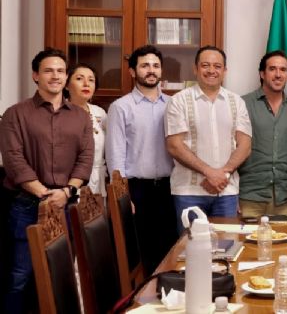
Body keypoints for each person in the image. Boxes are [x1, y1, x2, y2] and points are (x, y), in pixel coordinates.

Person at [0, 49, 93, 313]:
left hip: (68, 205)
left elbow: (86, 158)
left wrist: (67, 191)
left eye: (61, 71)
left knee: (61, 277)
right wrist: (44, 194)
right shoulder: (15, 114)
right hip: (27, 205)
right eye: (48, 70)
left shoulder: (80, 116)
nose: (55, 76)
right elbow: (14, 159)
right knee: (21, 276)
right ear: (35, 76)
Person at [105, 45, 177, 275]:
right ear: (132, 71)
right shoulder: (121, 107)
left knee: (170, 251)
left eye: (156, 66)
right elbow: (115, 154)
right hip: (137, 190)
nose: (151, 70)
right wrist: (123, 195)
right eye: (145, 65)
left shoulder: (173, 105)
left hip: (169, 187)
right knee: (142, 255)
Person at [165, 46, 252, 232]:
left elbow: (245, 145)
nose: (211, 70)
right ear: (195, 69)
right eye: (205, 65)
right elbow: (174, 146)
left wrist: (223, 173)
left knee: (227, 249)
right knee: (191, 251)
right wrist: (209, 172)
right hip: (189, 192)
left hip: (226, 192)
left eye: (217, 66)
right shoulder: (178, 101)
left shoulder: (237, 102)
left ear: (224, 71)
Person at [238, 51, 287, 218]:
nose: (278, 75)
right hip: (249, 197)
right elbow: (230, 149)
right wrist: (232, 195)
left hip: (283, 199)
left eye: (283, 70)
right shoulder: (242, 104)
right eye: (272, 69)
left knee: (283, 244)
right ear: (262, 74)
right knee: (248, 244)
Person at [65, 63, 107, 198]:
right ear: (66, 85)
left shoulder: (100, 113)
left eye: (91, 80)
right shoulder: (60, 113)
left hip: (99, 180)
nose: (86, 84)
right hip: (71, 182)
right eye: (79, 79)